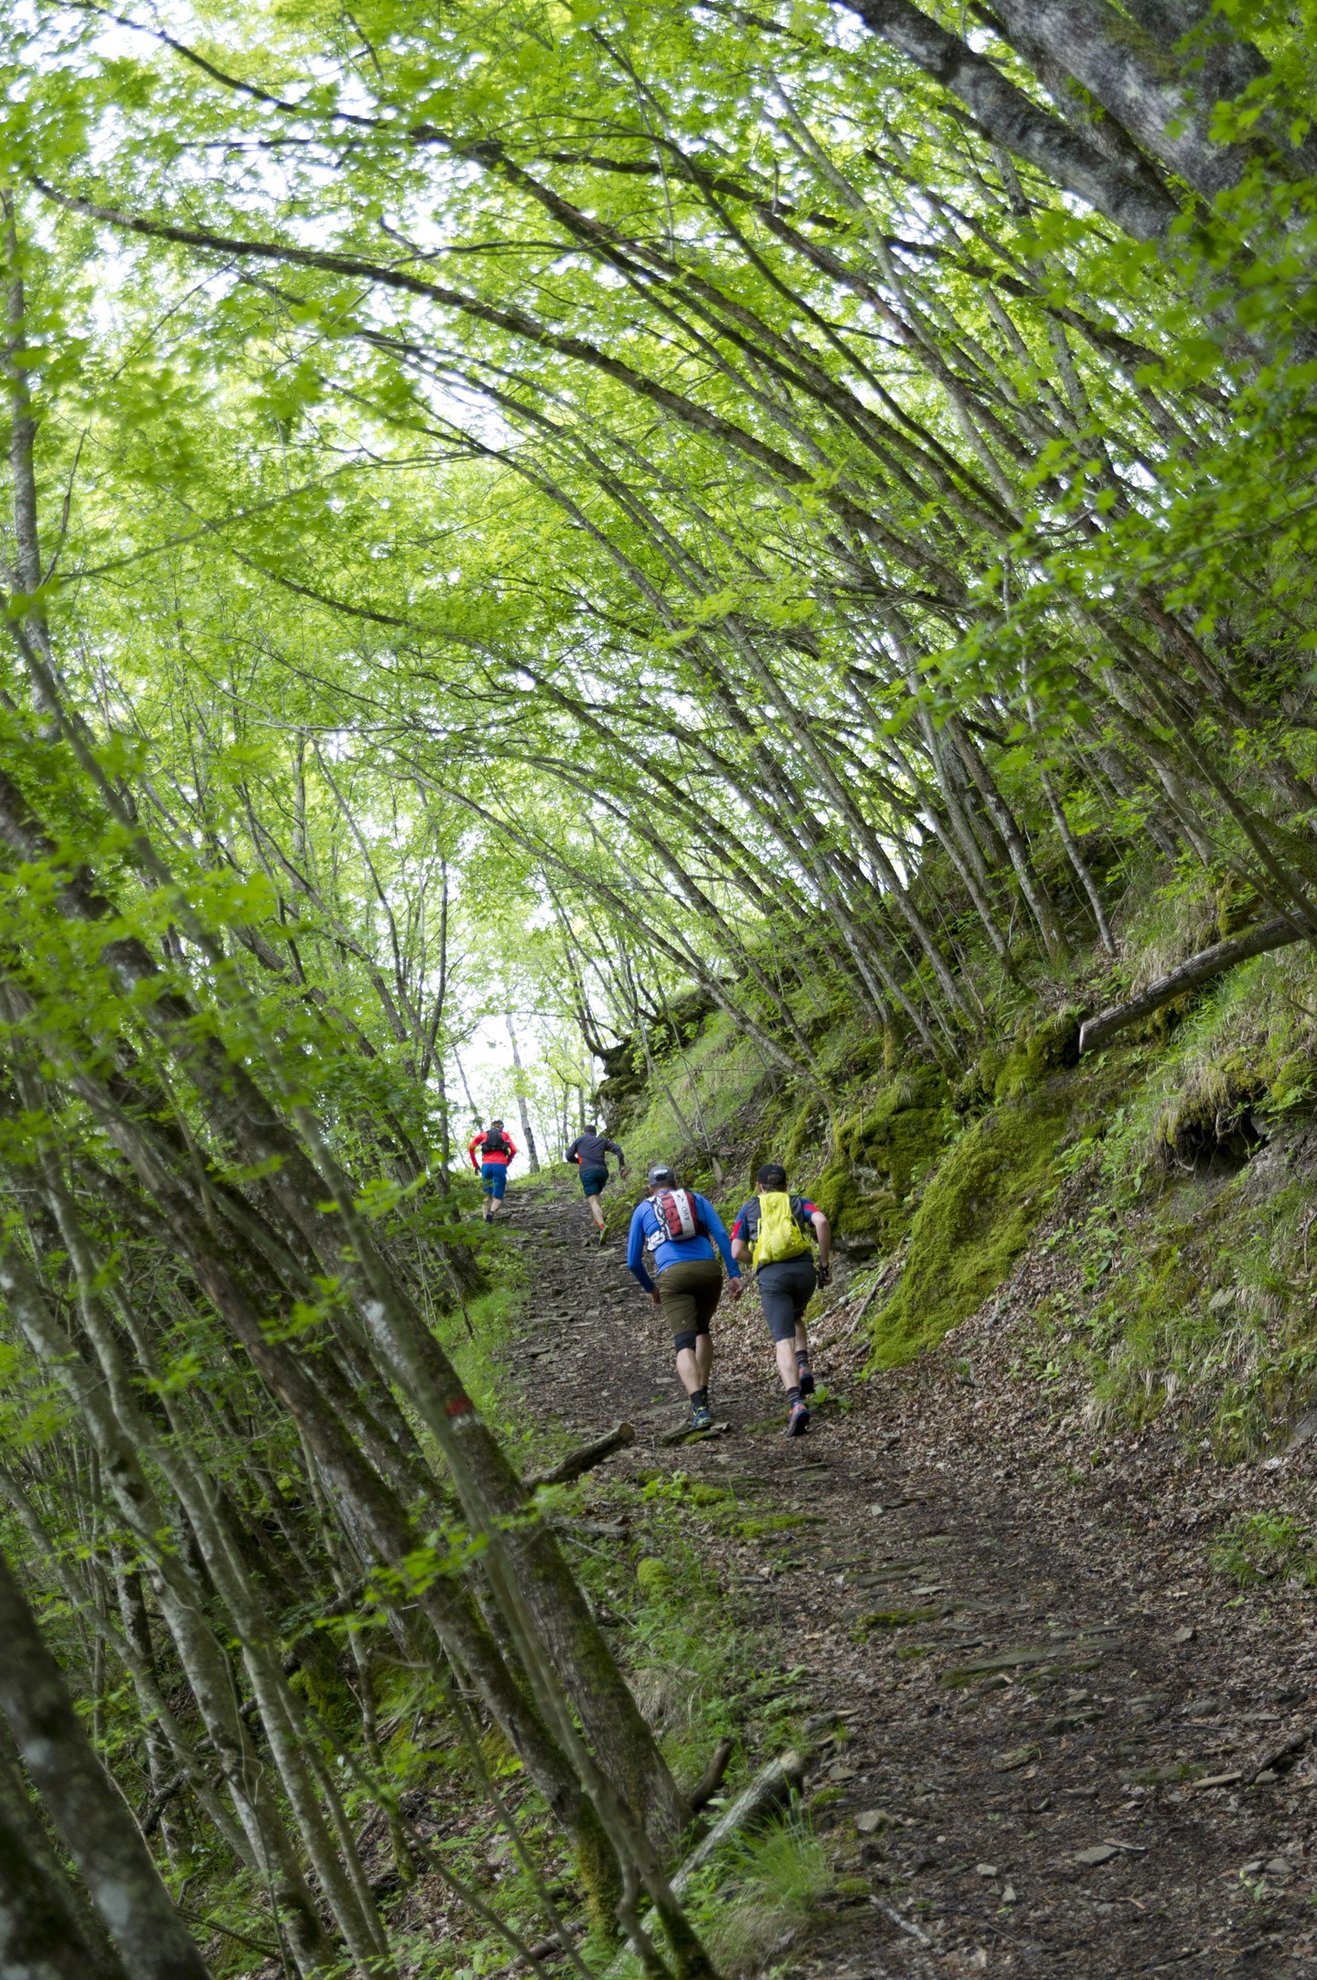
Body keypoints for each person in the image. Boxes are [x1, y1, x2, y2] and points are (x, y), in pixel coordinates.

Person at [627, 1164, 743, 1432]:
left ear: (650, 1188)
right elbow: (722, 1235)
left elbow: (632, 1261)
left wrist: (651, 1289)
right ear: (676, 1183)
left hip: (673, 1277)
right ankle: (703, 1391)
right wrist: (734, 1273)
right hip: (708, 1271)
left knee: (683, 1343)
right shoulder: (696, 1199)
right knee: (702, 1330)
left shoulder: (643, 1209)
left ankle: (699, 1407)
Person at [730, 1163, 831, 1437]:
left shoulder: (749, 1208)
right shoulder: (799, 1202)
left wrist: (760, 1260)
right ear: (785, 1184)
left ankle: (796, 1403)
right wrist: (824, 1264)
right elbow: (821, 1221)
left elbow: (736, 1250)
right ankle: (803, 1364)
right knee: (796, 1313)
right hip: (803, 1272)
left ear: (759, 1186)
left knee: (782, 1338)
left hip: (773, 1277)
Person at [564, 1125, 629, 1242]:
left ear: (584, 1132)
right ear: (595, 1133)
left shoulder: (579, 1140)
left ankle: (602, 1226)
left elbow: (568, 1156)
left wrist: (579, 1161)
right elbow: (618, 1149)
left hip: (588, 1172)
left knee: (593, 1200)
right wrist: (621, 1166)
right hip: (602, 1172)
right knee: (596, 1198)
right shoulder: (602, 1140)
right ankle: (599, 1225)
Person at [469, 1119, 518, 1221]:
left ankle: (485, 1220)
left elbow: (470, 1147)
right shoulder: (505, 1135)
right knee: (498, 1197)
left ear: (491, 1126)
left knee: (487, 1195)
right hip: (500, 1165)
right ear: (501, 1127)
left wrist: (475, 1164)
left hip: (486, 1166)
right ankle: (491, 1214)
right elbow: (514, 1150)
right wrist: (507, 1162)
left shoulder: (483, 1135)